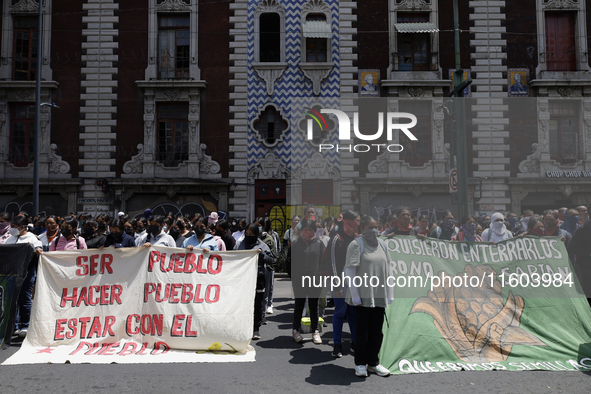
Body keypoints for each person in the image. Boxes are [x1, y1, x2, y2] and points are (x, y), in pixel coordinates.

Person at [344, 215, 393, 377]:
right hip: (363, 296)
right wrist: (355, 295)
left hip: (379, 295)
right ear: (362, 229)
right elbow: (349, 271)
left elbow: (389, 269)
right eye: (369, 227)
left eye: (375, 227)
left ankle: (373, 363)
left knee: (376, 331)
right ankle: (360, 364)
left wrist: (390, 292)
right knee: (361, 332)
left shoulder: (383, 245)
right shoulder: (356, 245)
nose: (373, 230)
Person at [324, 210, 360, 358]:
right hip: (340, 283)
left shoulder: (357, 238)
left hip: (355, 283)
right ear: (349, 222)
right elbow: (332, 264)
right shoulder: (336, 239)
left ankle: (354, 342)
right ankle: (337, 344)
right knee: (339, 312)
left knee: (352, 313)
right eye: (357, 220)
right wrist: (337, 286)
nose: (359, 223)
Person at [289, 218, 326, 345]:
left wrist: (320, 275)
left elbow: (323, 262)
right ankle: (295, 330)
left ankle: (315, 331)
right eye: (305, 230)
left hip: (315, 280)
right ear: (301, 231)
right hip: (299, 280)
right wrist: (293, 276)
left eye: (310, 230)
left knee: (313, 305)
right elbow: (289, 262)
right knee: (299, 305)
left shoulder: (319, 244)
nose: (307, 232)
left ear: (314, 231)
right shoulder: (295, 244)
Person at [5, 215, 42, 338]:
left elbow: (39, 250)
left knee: (25, 299)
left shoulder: (32, 238)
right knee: (12, 299)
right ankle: (13, 326)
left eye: (14, 227)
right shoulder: (10, 239)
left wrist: (37, 250)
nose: (11, 229)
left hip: (27, 272)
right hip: (12, 272)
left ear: (22, 227)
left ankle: (26, 325)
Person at [235, 224, 274, 340]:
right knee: (243, 304)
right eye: (246, 234)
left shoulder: (263, 246)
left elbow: (271, 260)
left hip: (258, 279)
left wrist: (262, 255)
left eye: (251, 234)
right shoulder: (239, 245)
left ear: (256, 234)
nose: (248, 236)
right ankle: (242, 327)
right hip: (242, 279)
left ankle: (255, 328)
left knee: (257, 304)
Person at [568, 206, 591, 306]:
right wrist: (588, 254)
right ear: (588, 214)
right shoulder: (583, 229)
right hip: (586, 268)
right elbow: (572, 247)